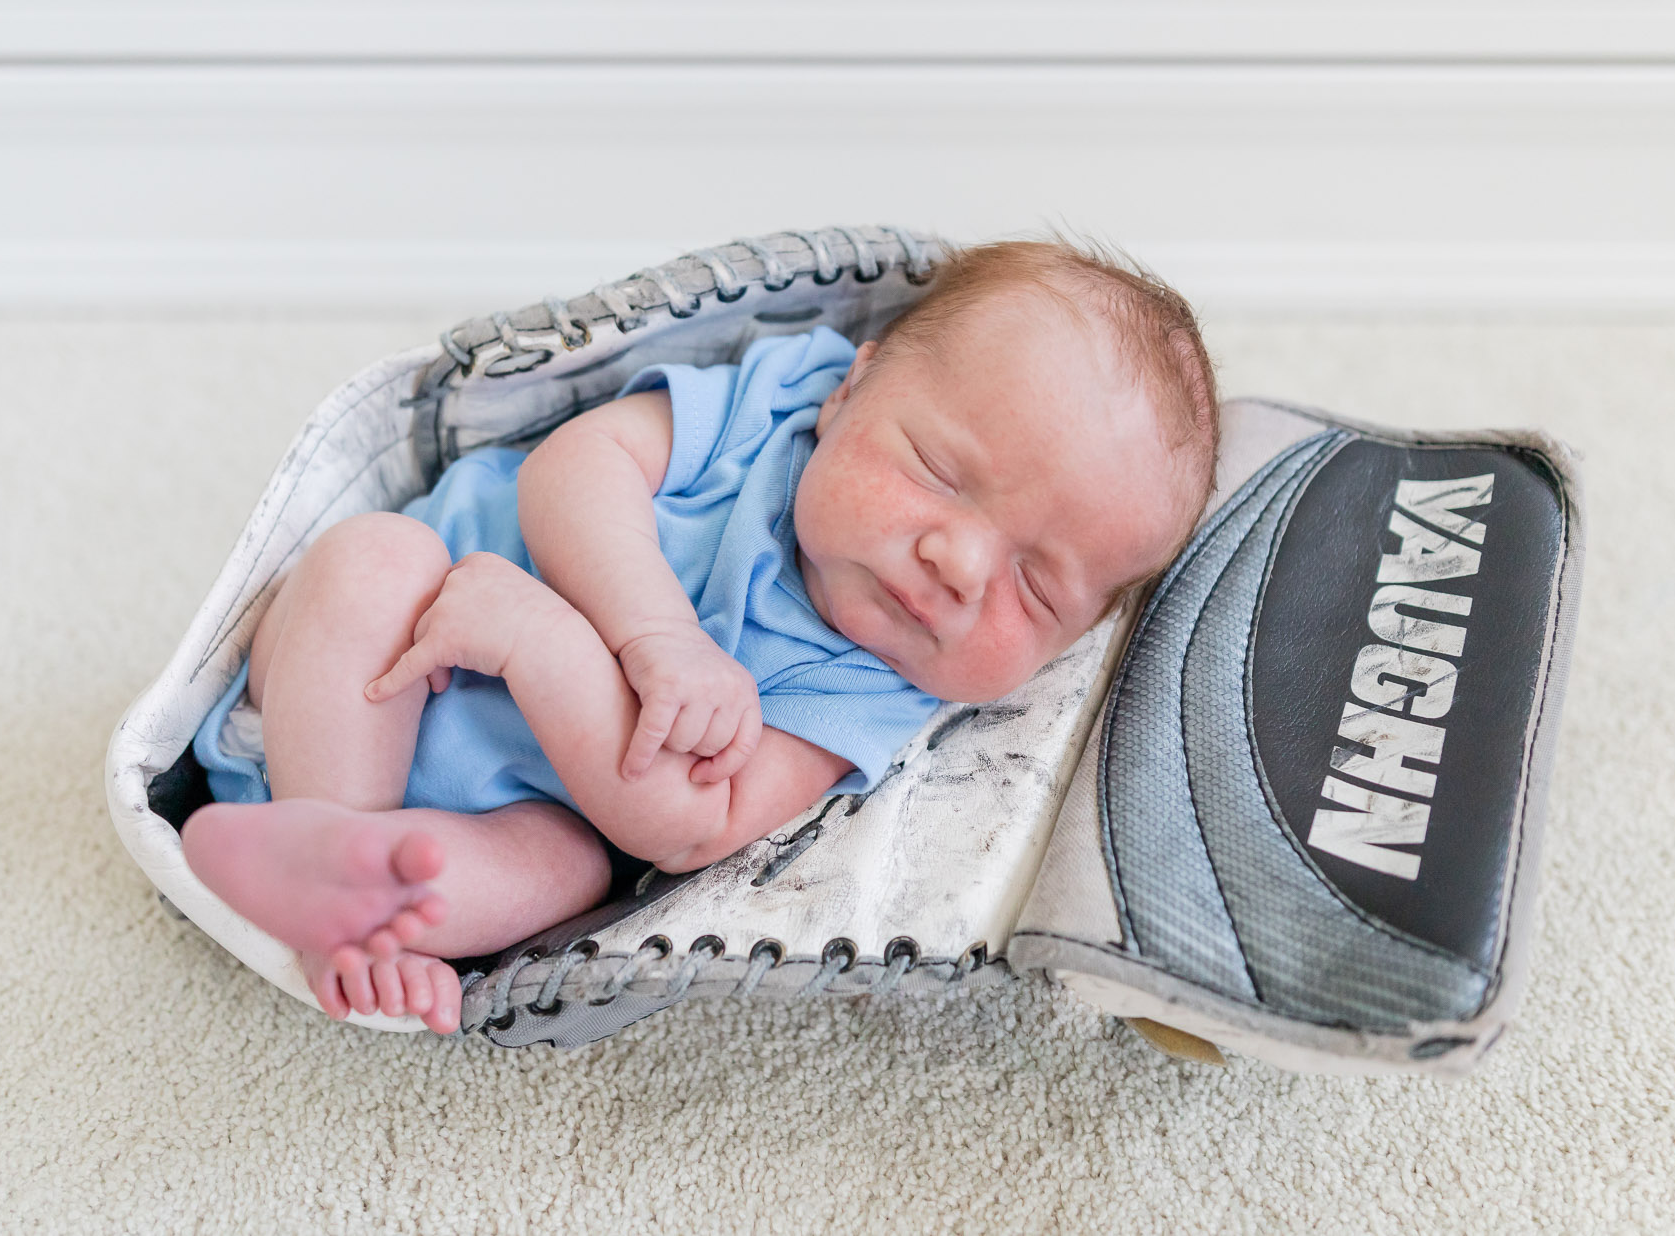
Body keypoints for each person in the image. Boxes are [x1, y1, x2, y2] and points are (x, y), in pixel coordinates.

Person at [181, 238, 1220, 1035]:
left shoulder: (871, 694)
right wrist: (651, 636)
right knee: (372, 560)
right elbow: (574, 467)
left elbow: (680, 826)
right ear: (848, 391)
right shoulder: (774, 401)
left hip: (516, 805)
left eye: (1033, 588)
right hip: (376, 665)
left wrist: (547, 646)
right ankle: (318, 824)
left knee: (566, 874)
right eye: (939, 475)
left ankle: (368, 901)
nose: (958, 562)